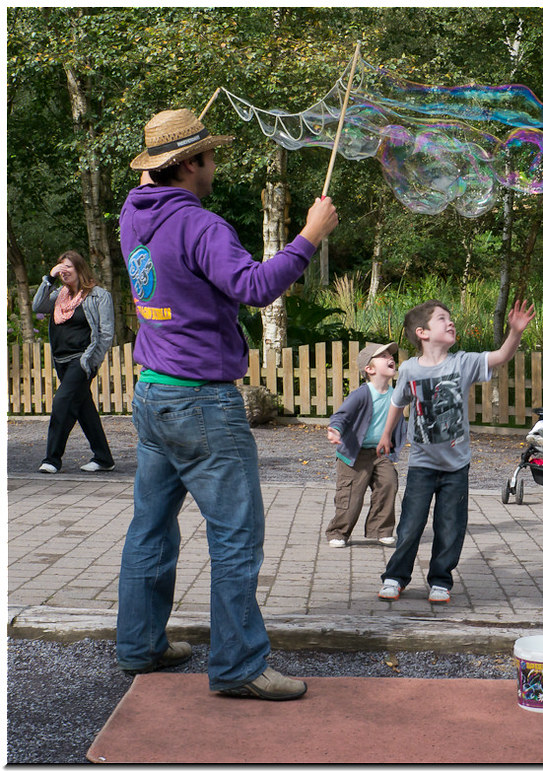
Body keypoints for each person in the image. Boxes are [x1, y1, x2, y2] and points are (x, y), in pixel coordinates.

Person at [116, 108, 338, 701]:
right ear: (190, 164)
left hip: (152, 394)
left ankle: (140, 646)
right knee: (237, 535)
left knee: (149, 528)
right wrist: (310, 234)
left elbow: (149, 186)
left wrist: (161, 160)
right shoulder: (201, 225)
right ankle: (239, 666)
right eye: (209, 155)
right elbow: (256, 288)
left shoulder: (133, 213)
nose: (216, 164)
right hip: (202, 403)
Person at [375, 298, 535, 603]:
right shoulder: (410, 369)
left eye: (450, 318)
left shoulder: (463, 363)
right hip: (422, 464)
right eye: (442, 319)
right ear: (422, 332)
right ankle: (395, 577)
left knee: (450, 527)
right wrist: (386, 435)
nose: (451, 322)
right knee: (410, 525)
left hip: (456, 467)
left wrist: (515, 332)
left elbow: (501, 356)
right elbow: (397, 402)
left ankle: (440, 580)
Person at [31, 250, 116, 474]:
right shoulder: (58, 296)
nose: (63, 271)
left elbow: (106, 333)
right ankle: (104, 458)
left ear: (79, 268)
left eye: (68, 266)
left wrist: (91, 362)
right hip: (61, 360)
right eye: (61, 268)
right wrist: (49, 279)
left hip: (82, 360)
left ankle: (52, 459)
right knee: (84, 409)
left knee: (62, 403)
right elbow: (38, 306)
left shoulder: (98, 296)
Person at [325, 341, 406, 548]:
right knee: (351, 495)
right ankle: (338, 532)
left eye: (390, 355)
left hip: (380, 453)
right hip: (354, 454)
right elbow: (342, 415)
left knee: (388, 483)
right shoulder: (362, 394)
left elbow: (402, 421)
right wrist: (335, 429)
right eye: (383, 356)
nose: (390, 358)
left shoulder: (396, 394)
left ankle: (381, 529)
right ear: (369, 369)